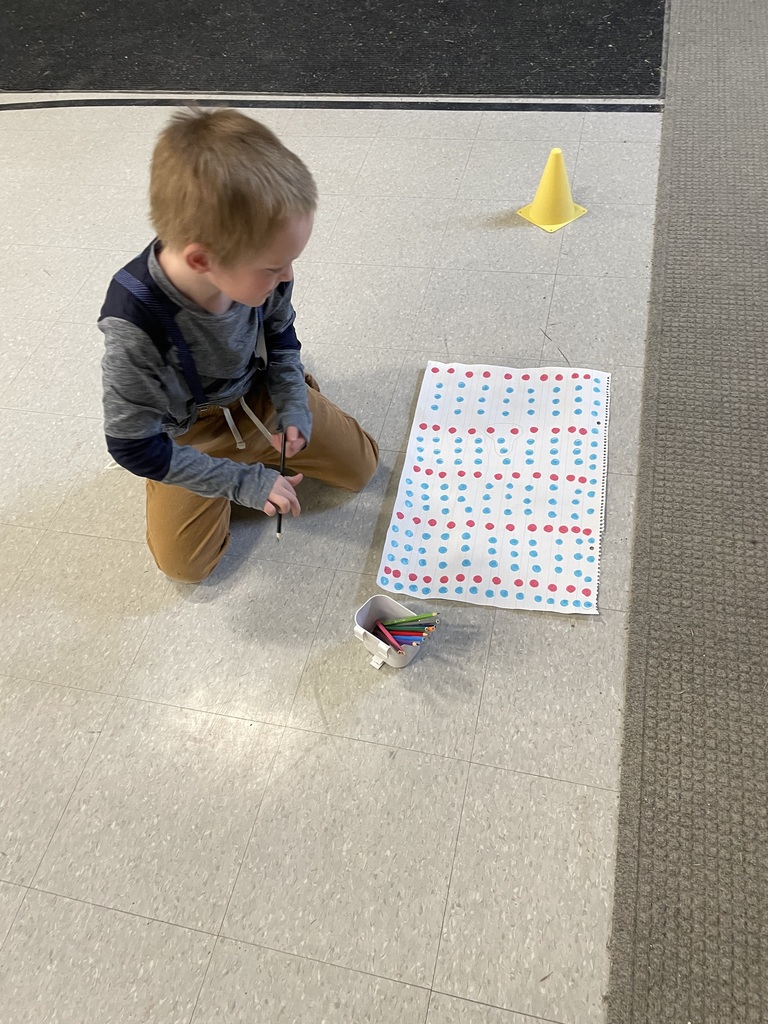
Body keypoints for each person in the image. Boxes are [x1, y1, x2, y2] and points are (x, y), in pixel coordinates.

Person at [98, 107, 378, 583]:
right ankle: (233, 467)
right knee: (186, 567)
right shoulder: (135, 323)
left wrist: (292, 401)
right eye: (274, 267)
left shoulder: (262, 260)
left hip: (259, 396)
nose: (287, 275)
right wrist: (241, 481)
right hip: (188, 432)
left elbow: (281, 334)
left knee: (363, 469)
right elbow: (132, 446)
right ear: (202, 259)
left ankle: (291, 413)